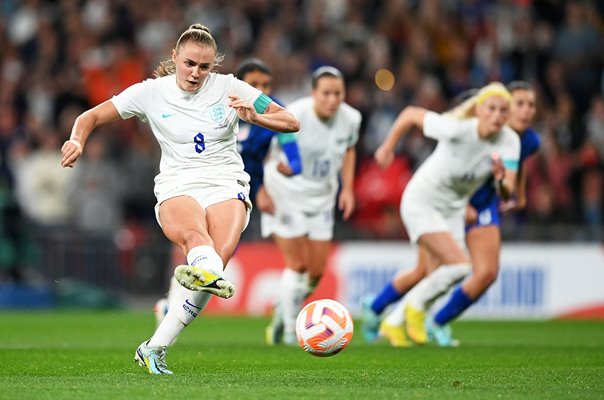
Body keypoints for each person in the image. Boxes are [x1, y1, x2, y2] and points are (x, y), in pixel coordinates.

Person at [60, 24, 300, 375]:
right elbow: (90, 116)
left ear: (213, 66)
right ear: (174, 57)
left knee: (215, 262)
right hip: (178, 184)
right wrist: (77, 140)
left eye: (204, 67)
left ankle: (154, 347)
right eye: (189, 63)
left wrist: (257, 117)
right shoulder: (150, 93)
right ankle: (191, 285)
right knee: (197, 244)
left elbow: (291, 121)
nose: (195, 73)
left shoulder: (230, 86)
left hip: (226, 181)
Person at [362, 82, 540, 347]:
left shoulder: (511, 140)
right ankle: (410, 311)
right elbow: (411, 113)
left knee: (448, 272)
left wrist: (502, 180)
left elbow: (508, 191)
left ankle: (394, 321)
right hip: (423, 200)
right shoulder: (457, 128)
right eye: (492, 109)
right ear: (479, 110)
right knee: (455, 265)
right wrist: (388, 147)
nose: (498, 116)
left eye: (503, 111)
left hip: (454, 206)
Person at [152, 58, 302, 326]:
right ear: (241, 84)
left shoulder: (270, 110)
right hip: (211, 186)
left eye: (266, 85)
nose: (262, 89)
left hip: (250, 190)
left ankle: (285, 308)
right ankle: (172, 304)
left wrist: (279, 175)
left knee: (222, 253)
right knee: (202, 244)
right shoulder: (219, 104)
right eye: (255, 84)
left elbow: (289, 144)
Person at [263, 66, 360, 345]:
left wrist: (348, 188)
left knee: (316, 272)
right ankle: (297, 332)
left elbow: (350, 149)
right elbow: (268, 152)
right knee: (298, 264)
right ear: (313, 94)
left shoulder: (351, 119)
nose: (332, 99)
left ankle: (283, 309)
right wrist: (264, 188)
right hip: (286, 193)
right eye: (326, 93)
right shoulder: (294, 115)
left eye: (337, 94)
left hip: (322, 198)